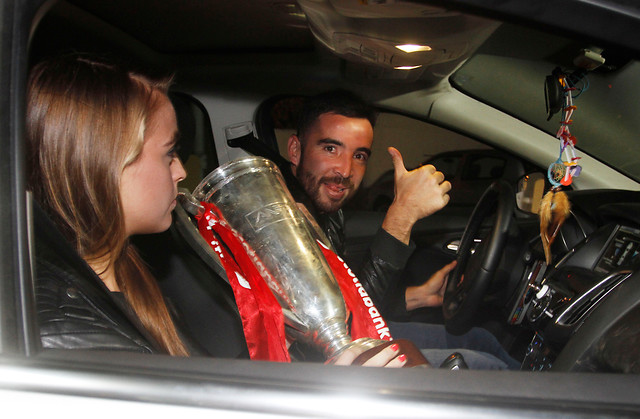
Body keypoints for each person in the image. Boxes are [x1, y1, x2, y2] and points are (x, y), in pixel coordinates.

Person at [27, 54, 403, 367]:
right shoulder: (66, 331)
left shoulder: (126, 271)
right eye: (169, 154)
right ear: (104, 164)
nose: (180, 171)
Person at [284, 90, 520, 369]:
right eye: (330, 148)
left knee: (480, 340)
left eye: (359, 155)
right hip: (321, 363)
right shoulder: (282, 216)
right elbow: (345, 327)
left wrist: (416, 297)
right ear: (296, 150)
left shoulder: (326, 209)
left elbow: (347, 301)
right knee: (488, 367)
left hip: (348, 343)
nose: (345, 170)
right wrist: (402, 216)